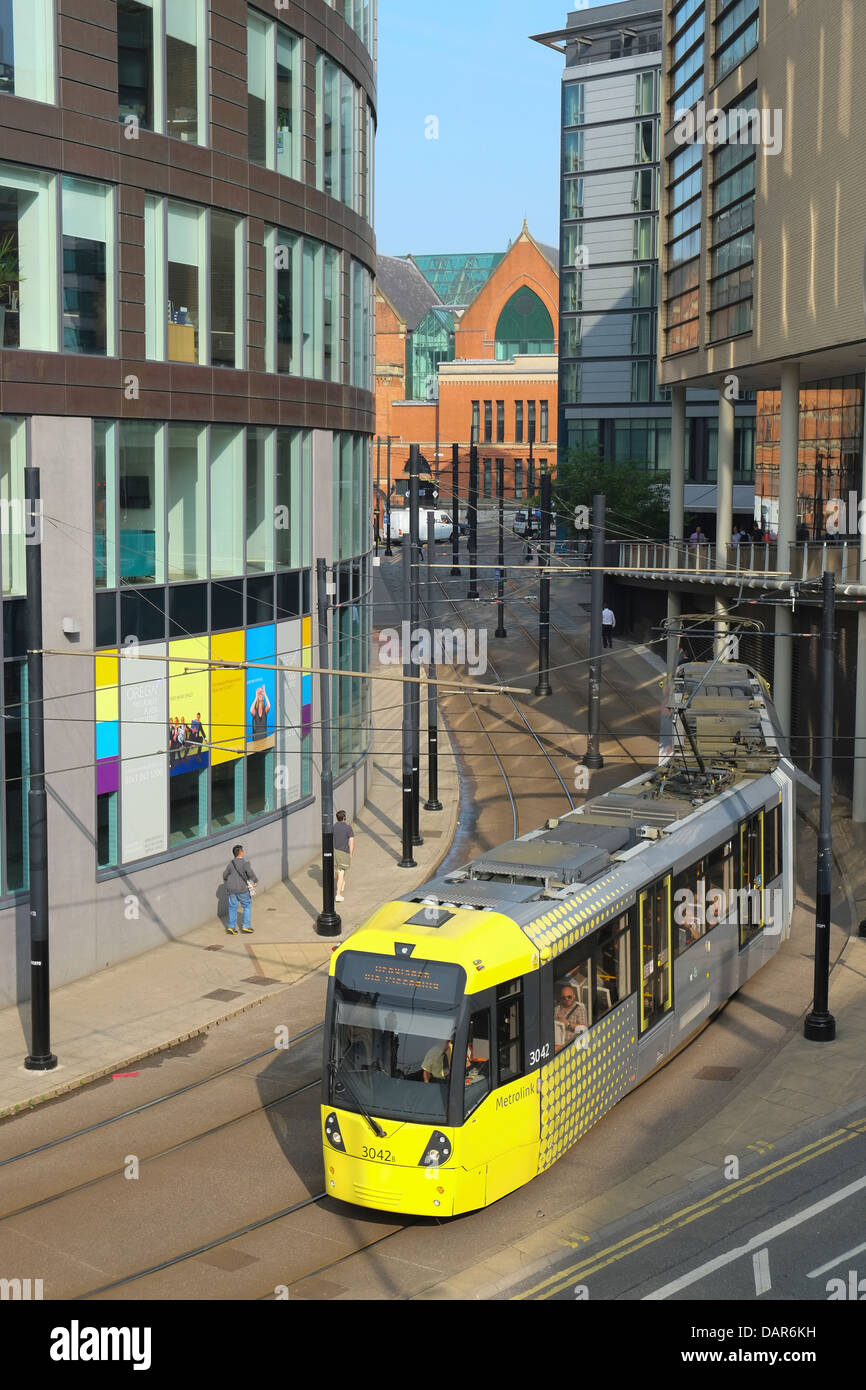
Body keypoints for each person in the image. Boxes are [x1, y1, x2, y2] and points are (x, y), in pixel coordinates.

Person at [223, 844, 258, 934]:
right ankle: (246, 926)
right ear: (240, 852)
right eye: (242, 851)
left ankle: (231, 927)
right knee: (247, 906)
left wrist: (229, 881)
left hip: (231, 889)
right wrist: (255, 880)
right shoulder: (244, 863)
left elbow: (225, 875)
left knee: (232, 907)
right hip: (242, 889)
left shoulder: (231, 864)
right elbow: (250, 873)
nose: (243, 852)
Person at [554, 983, 588, 1050]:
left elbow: (583, 1029)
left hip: (570, 1044)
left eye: (569, 997)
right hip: (556, 1041)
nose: (567, 999)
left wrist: (568, 1024)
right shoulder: (557, 1008)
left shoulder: (579, 1009)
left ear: (574, 996)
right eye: (564, 998)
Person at [332, 809, 354, 902]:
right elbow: (351, 843)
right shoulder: (348, 828)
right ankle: (338, 894)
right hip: (343, 853)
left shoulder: (333, 827)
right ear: (344, 818)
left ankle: (341, 883)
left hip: (334, 852)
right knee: (341, 873)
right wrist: (350, 854)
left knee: (336, 871)